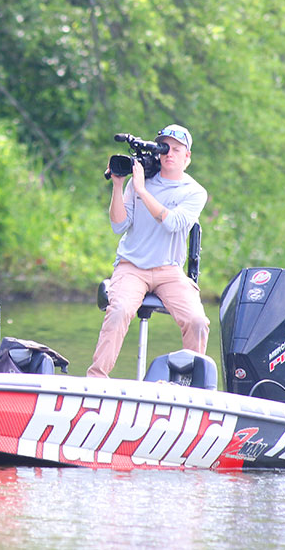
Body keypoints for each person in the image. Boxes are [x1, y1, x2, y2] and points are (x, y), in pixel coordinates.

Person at [88, 124, 209, 378]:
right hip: (132, 267)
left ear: (187, 157)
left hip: (169, 270)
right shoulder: (139, 182)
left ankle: (192, 382)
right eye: (164, 148)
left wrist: (142, 190)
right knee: (119, 311)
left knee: (197, 322)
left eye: (176, 149)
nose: (169, 153)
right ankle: (96, 378)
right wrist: (119, 185)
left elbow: (173, 223)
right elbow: (119, 225)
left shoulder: (194, 192)